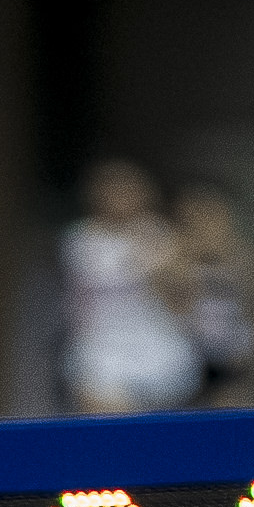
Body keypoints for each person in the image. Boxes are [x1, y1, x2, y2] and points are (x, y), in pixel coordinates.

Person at [60, 156, 197, 415]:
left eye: (128, 190)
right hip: (103, 350)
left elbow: (182, 297)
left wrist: (164, 258)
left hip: (158, 347)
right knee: (111, 421)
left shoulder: (163, 234)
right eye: (112, 191)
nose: (120, 198)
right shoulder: (79, 238)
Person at [171, 178, 254, 407]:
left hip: (235, 358)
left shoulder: (247, 256)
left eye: (210, 216)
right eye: (192, 218)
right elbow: (172, 304)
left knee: (230, 406)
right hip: (188, 360)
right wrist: (188, 258)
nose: (203, 225)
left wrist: (225, 259)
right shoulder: (172, 257)